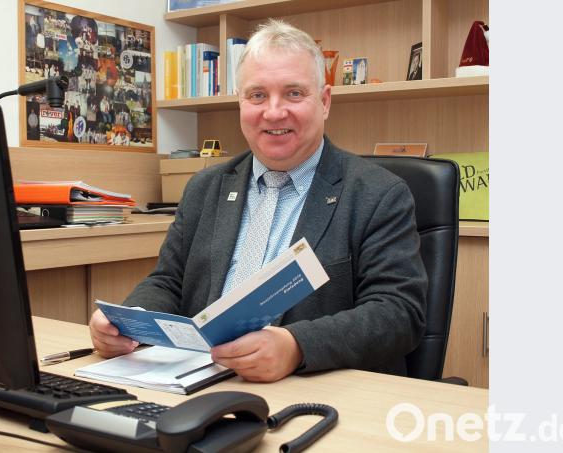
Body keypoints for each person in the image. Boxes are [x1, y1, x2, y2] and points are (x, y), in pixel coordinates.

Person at [89, 19, 427, 382]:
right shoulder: (205, 188)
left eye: (294, 93)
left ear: (325, 101)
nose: (274, 112)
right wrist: (127, 322)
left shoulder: (378, 193)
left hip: (310, 389)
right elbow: (169, 282)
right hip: (197, 379)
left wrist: (297, 346)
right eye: (257, 95)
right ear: (240, 101)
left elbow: (399, 313)